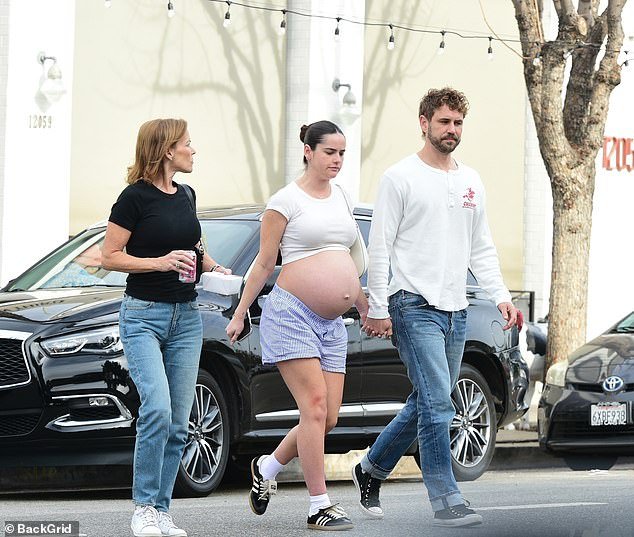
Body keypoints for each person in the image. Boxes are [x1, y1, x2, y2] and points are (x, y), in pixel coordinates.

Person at [354, 88, 517, 528]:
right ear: (424, 123)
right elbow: (380, 247)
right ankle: (446, 497)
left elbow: (480, 247)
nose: (452, 130)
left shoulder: (471, 181)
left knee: (430, 400)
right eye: (444, 122)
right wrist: (380, 305)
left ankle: (371, 468)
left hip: (456, 308)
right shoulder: (399, 177)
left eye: (458, 123)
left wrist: (500, 294)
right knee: (438, 403)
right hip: (413, 305)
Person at [226, 120, 369, 531]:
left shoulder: (342, 195)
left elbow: (350, 260)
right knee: (315, 407)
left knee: (328, 418)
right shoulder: (284, 201)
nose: (337, 160)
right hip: (291, 314)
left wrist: (363, 306)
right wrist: (240, 313)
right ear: (307, 150)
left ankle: (266, 468)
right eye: (329, 152)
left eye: (342, 153)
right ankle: (318, 505)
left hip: (331, 321)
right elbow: (264, 262)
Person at [102, 118, 230, 537]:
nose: (194, 151)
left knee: (179, 419)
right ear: (166, 151)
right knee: (155, 409)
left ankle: (161, 509)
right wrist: (159, 262)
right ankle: (142, 507)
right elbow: (110, 256)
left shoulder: (187, 195)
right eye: (188, 144)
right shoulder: (133, 199)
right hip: (142, 316)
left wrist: (213, 267)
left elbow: (193, 246)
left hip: (186, 318)